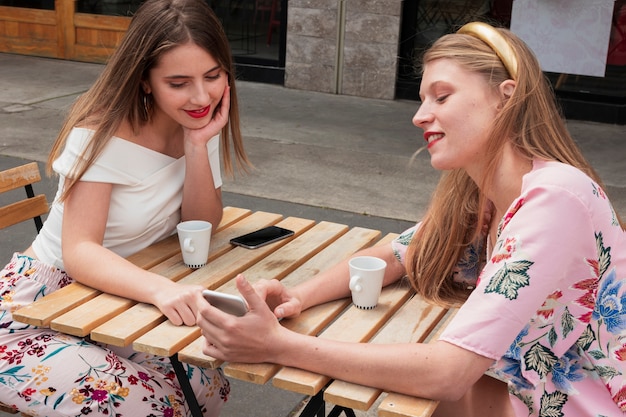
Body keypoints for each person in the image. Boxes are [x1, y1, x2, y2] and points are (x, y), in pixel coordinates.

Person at [197, 21, 626, 417]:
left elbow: (448, 373)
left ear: (505, 96)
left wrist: (279, 346)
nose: (419, 115)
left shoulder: (554, 199)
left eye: (441, 96)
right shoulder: (489, 198)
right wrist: (296, 297)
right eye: (422, 99)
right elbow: (396, 256)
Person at [0, 0, 251, 415]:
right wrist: (161, 290)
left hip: (112, 297)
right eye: (179, 82)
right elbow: (80, 251)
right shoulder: (101, 132)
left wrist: (197, 145)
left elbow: (201, 222)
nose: (201, 95)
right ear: (146, 81)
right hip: (37, 308)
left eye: (213, 76)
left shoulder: (195, 123)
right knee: (153, 406)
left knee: (207, 386)